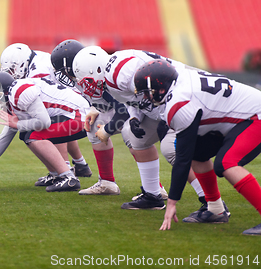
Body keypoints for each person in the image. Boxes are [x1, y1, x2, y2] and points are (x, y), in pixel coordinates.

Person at [72, 47, 218, 212]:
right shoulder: (112, 76)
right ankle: (152, 195)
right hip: (164, 102)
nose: (87, 86)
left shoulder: (120, 73)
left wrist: (165, 117)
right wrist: (134, 118)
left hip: (182, 99)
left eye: (87, 80)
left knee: (171, 149)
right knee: (135, 137)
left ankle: (211, 201)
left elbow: (159, 89)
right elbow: (133, 99)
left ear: (97, 69)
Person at [134, 59, 261, 234]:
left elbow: (182, 159)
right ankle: (215, 209)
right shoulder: (180, 81)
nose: (146, 97)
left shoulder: (178, 102)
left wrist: (172, 202)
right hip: (239, 117)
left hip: (255, 116)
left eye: (148, 92)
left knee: (226, 163)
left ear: (162, 88)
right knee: (198, 154)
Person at [0, 71, 88, 192]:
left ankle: (69, 178)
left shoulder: (20, 92)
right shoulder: (13, 94)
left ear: (5, 92)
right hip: (72, 116)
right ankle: (56, 175)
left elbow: (44, 122)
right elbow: (7, 133)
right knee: (26, 133)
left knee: (34, 135)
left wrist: (18, 124)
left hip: (80, 117)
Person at [0, 43, 92, 180]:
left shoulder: (37, 73)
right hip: (75, 108)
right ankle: (80, 165)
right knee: (56, 119)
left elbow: (50, 117)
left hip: (78, 108)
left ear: (21, 64)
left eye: (12, 69)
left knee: (41, 128)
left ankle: (65, 171)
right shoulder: (32, 58)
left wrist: (17, 124)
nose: (10, 74)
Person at [51, 40, 122, 195]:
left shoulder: (101, 73)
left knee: (134, 136)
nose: (63, 76)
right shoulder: (83, 76)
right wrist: (95, 108)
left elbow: (124, 108)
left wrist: (108, 129)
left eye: (64, 71)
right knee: (93, 125)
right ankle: (107, 182)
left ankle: (155, 189)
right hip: (120, 109)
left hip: (138, 111)